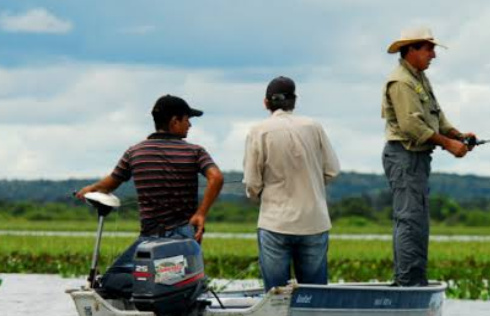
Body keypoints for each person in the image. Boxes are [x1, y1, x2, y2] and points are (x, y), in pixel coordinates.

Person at [75, 94, 224, 296]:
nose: (190, 125)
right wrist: (201, 214)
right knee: (182, 288)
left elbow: (109, 184)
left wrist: (89, 190)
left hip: (148, 240)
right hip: (183, 237)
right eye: (187, 119)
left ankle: (153, 295)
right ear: (174, 121)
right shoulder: (195, 152)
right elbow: (216, 177)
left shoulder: (134, 152)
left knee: (110, 282)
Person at [382, 27, 476, 286]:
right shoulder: (401, 81)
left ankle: (415, 281)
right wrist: (448, 145)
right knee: (409, 219)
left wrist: (457, 135)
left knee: (418, 221)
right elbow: (412, 127)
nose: (433, 54)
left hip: (417, 159)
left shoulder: (419, 78)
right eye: (429, 48)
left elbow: (436, 117)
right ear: (411, 49)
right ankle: (406, 283)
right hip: (403, 156)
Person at [243, 76, 341, 291]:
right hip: (314, 221)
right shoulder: (314, 127)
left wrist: (260, 193)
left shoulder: (258, 131)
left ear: (266, 103)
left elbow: (251, 183)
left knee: (276, 298)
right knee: (315, 296)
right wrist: (312, 181)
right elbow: (332, 170)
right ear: (294, 101)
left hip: (274, 223)